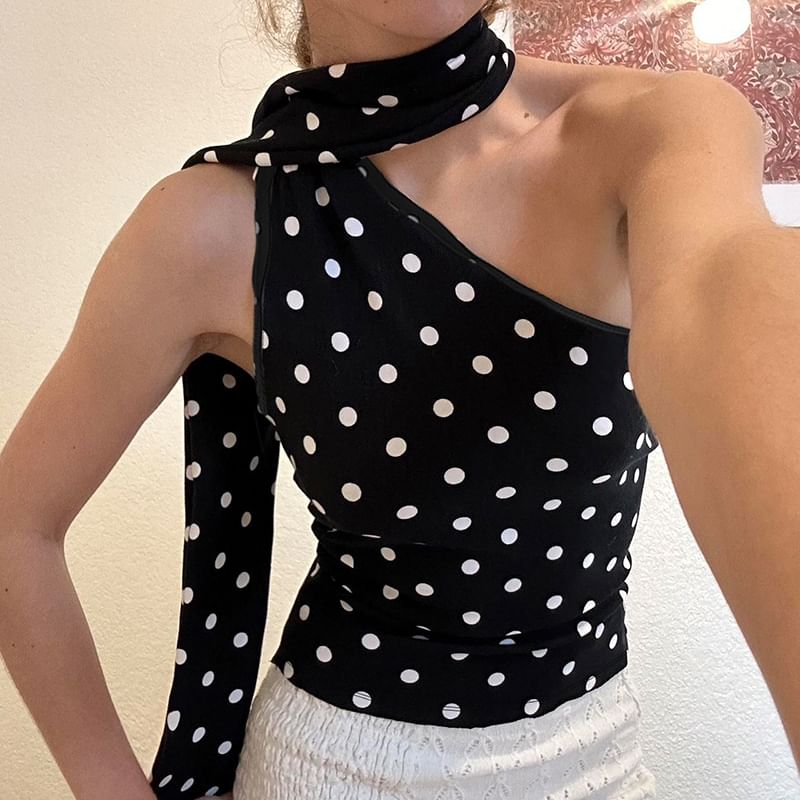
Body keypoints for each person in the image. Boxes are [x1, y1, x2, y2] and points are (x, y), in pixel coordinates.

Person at [2, 1, 797, 799]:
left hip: (598, 758)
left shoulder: (660, 128)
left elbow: (717, 302)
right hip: (337, 770)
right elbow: (16, 525)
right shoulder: (210, 224)